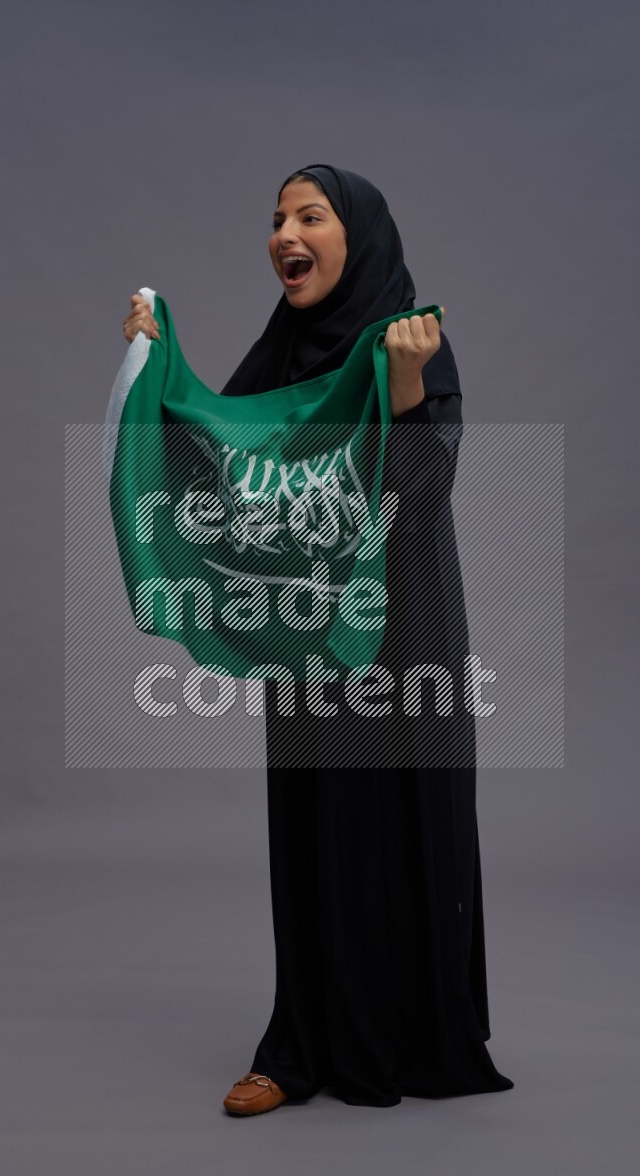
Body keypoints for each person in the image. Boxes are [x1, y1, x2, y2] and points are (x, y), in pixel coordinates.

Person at [122, 163, 514, 1114]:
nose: (285, 233)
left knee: (404, 825)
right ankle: (299, 1047)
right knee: (314, 830)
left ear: (361, 236)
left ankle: (417, 1035)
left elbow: (416, 505)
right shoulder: (285, 348)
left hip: (404, 635)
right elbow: (212, 455)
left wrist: (409, 388)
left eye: (310, 214)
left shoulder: (411, 344)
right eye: (276, 219)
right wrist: (157, 362)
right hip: (307, 636)